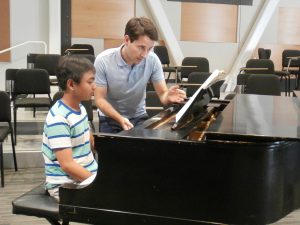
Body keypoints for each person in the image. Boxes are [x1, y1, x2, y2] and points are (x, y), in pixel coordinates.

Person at [94, 16, 186, 133]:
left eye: (150, 49)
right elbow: (100, 100)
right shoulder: (103, 60)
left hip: (138, 117)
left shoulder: (152, 60)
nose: (145, 54)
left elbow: (163, 94)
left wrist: (168, 97)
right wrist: (120, 119)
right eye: (141, 47)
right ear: (127, 40)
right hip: (110, 117)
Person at [41, 55, 98, 201]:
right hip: (66, 185)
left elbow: (91, 142)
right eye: (90, 81)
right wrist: (98, 182)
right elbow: (67, 165)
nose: (94, 86)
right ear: (71, 84)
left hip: (84, 176)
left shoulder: (80, 108)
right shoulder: (58, 118)